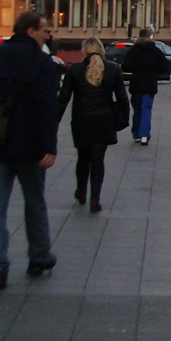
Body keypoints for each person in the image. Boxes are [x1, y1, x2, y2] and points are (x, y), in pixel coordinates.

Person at [0, 10, 60, 290]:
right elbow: (47, 107)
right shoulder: (43, 63)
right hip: (30, 146)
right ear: (31, 30)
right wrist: (49, 146)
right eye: (45, 29)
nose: (48, 35)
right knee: (34, 202)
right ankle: (39, 257)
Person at [58, 37, 129, 214]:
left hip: (81, 120)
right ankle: (95, 198)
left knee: (83, 158)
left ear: (84, 51)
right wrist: (123, 119)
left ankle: (81, 191)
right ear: (101, 50)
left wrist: (53, 121)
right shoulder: (112, 69)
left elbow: (64, 98)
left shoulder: (74, 70)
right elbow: (122, 97)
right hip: (103, 120)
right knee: (98, 161)